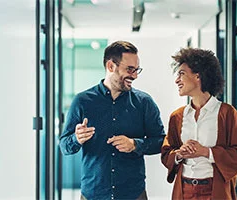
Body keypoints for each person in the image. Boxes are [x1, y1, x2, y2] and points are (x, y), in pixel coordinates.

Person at [59, 40, 165, 200]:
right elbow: (64, 146)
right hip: (93, 194)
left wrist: (135, 144)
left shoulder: (144, 102)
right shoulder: (82, 101)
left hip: (133, 194)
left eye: (137, 70)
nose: (135, 75)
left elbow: (161, 141)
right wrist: (76, 139)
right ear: (110, 66)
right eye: (130, 69)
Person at [161, 48, 237, 199]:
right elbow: (166, 154)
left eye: (181, 73)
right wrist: (179, 154)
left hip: (215, 191)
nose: (177, 80)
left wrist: (206, 152)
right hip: (184, 190)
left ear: (198, 76)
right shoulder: (177, 116)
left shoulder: (227, 113)